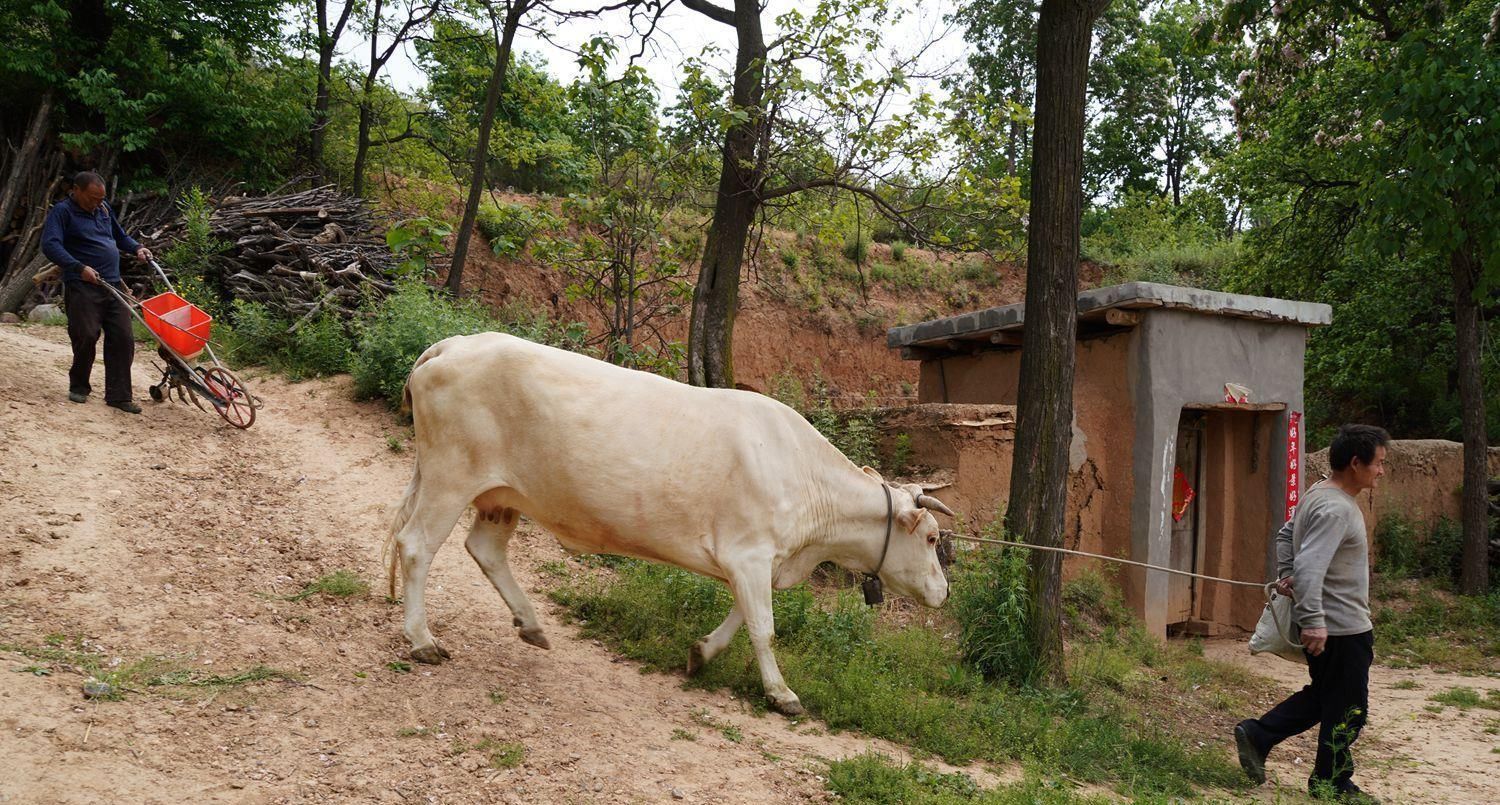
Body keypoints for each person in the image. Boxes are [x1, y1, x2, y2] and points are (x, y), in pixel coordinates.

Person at [1235, 424, 1389, 803]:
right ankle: (1331, 782)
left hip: (1334, 623)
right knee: (1349, 707)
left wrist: (1287, 572)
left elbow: (1286, 538)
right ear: (1356, 463)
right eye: (1379, 463)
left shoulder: (1319, 494)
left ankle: (1259, 734)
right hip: (1340, 627)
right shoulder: (1336, 508)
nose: (1381, 471)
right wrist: (1315, 619)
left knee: (1327, 697)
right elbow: (1311, 565)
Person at [41, 171, 152, 413]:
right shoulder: (63, 212)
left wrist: (138, 248)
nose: (97, 203)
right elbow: (50, 244)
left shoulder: (103, 209)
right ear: (76, 190)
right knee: (86, 335)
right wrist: (78, 267)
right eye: (92, 198)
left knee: (123, 338)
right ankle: (79, 385)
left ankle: (119, 396)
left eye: (101, 198)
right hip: (82, 284)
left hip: (112, 285)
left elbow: (120, 237)